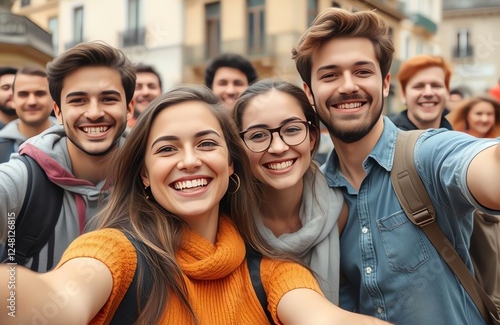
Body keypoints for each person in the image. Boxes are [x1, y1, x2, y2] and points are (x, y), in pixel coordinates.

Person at [0, 86, 391, 325]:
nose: (189, 160)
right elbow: (54, 303)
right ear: (145, 175)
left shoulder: (273, 273)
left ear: (231, 164)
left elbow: (325, 318)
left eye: (206, 143)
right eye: (167, 149)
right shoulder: (113, 251)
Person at [292, 7, 500, 324]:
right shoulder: (315, 193)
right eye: (330, 75)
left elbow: (484, 165)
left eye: (362, 71)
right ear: (309, 93)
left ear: (385, 84)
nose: (348, 86)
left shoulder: (426, 153)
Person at [0, 42, 135, 272]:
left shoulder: (150, 176)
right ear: (59, 111)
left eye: (108, 99)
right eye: (78, 100)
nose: (94, 113)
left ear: (129, 108)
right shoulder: (24, 178)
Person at [233, 79, 346, 304]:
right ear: (239, 147)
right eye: (258, 135)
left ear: (312, 137)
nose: (278, 147)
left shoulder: (342, 213)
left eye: (292, 129)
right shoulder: (226, 221)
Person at [446, 94, 500, 308]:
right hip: (476, 220)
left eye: (489, 114)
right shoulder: (456, 143)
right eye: (479, 113)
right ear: (468, 117)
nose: (484, 119)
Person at [0, 67, 57, 163]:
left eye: (40, 93)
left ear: (53, 99)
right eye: (23, 94)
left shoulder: (73, 140)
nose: (32, 102)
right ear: (13, 100)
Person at [389, 54, 453, 130]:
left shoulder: (459, 139)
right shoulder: (385, 139)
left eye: (436, 85)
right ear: (403, 94)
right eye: (418, 86)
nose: (428, 93)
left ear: (447, 92)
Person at [127, 63, 163, 128]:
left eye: (152, 87)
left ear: (161, 92)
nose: (145, 92)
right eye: (137, 87)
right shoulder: (119, 133)